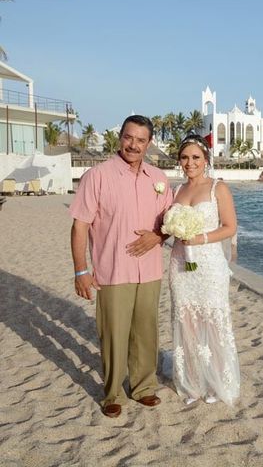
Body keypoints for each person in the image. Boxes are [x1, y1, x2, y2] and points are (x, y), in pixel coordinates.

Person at [70, 115, 173, 418]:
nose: (134, 145)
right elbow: (79, 227)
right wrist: (81, 271)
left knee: (146, 332)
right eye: (129, 138)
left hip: (150, 270)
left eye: (141, 140)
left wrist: (158, 236)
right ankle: (113, 392)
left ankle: (143, 387)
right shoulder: (98, 176)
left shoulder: (159, 178)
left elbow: (170, 222)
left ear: (149, 144)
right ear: (120, 138)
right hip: (113, 270)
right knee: (113, 334)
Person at [168, 134, 240, 405]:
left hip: (209, 264)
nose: (190, 162)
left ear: (206, 160)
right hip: (180, 263)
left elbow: (230, 227)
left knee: (212, 320)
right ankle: (191, 382)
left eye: (196, 157)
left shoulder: (217, 188)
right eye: (185, 158)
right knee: (185, 320)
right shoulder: (176, 191)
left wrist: (199, 238)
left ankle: (216, 382)